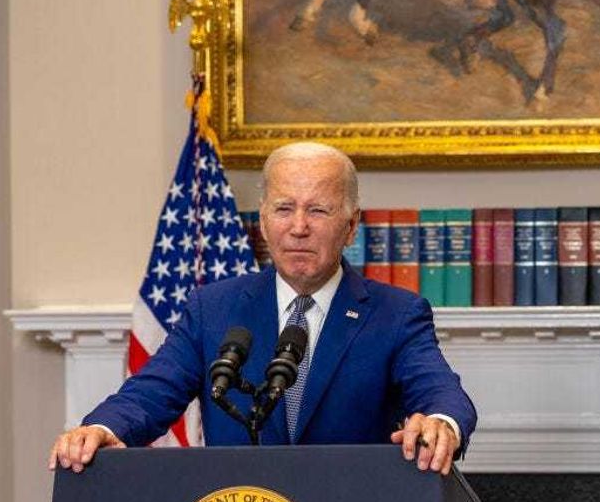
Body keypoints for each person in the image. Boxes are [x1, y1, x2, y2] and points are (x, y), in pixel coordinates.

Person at [48, 142, 475, 475]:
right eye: (284, 209)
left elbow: (441, 392)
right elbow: (150, 393)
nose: (299, 227)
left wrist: (440, 423)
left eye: (319, 210)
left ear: (350, 226)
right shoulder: (212, 309)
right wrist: (103, 429)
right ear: (265, 222)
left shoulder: (396, 314)